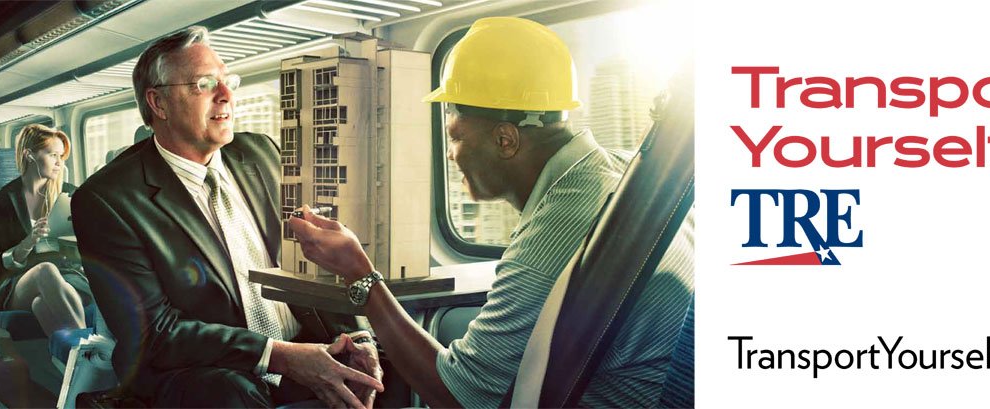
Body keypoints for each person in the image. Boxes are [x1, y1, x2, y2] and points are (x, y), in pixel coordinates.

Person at [288, 16, 695, 408]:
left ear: (505, 140)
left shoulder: (557, 230)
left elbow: (459, 397)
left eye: (457, 137)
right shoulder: (619, 174)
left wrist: (361, 274)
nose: (451, 153)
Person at [72, 26, 383, 408]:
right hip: (200, 368)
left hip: (300, 343)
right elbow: (154, 333)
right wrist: (279, 355)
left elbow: (318, 262)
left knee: (385, 369)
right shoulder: (107, 200)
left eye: (227, 80)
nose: (227, 95)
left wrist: (359, 338)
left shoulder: (261, 153)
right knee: (230, 396)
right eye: (204, 84)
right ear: (158, 103)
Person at [0, 124, 94, 338]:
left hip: (67, 276)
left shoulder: (70, 194)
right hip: (17, 282)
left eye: (61, 156)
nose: (59, 163)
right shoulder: (4, 200)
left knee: (41, 305)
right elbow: (1, 261)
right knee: (45, 271)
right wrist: (30, 240)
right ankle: (88, 350)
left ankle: (73, 363)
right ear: (29, 155)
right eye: (53, 155)